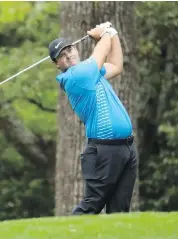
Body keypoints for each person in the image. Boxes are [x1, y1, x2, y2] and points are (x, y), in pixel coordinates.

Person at [48, 22, 137, 215]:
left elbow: (116, 65)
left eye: (69, 49)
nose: (69, 55)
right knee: (92, 205)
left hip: (126, 147)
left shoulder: (91, 73)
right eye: (62, 56)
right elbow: (101, 51)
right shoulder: (75, 77)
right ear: (57, 64)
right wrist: (105, 33)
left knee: (120, 208)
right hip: (104, 150)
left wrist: (113, 35)